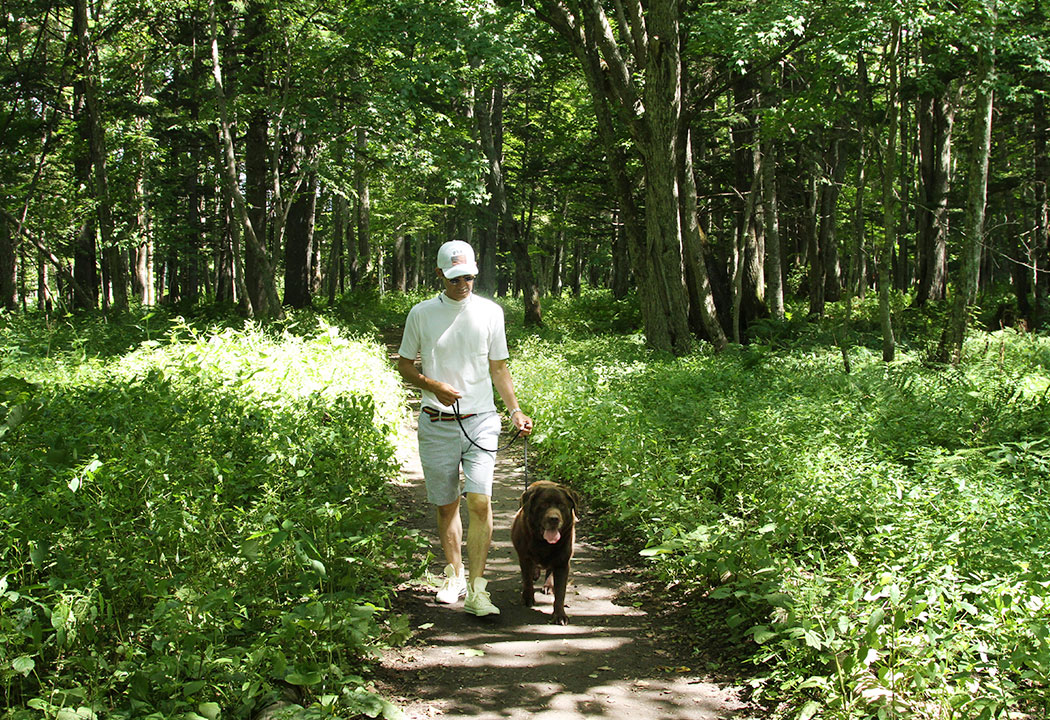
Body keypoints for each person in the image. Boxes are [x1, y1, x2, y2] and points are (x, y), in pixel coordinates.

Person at [396, 240, 533, 617]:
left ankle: (477, 588)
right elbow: (405, 365)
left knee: (480, 501)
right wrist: (434, 386)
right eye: (456, 277)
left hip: (482, 422)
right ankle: (454, 575)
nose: (464, 283)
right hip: (436, 424)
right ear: (440, 274)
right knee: (447, 506)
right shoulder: (421, 314)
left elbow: (499, 367)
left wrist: (515, 411)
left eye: (470, 276)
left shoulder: (490, 312)